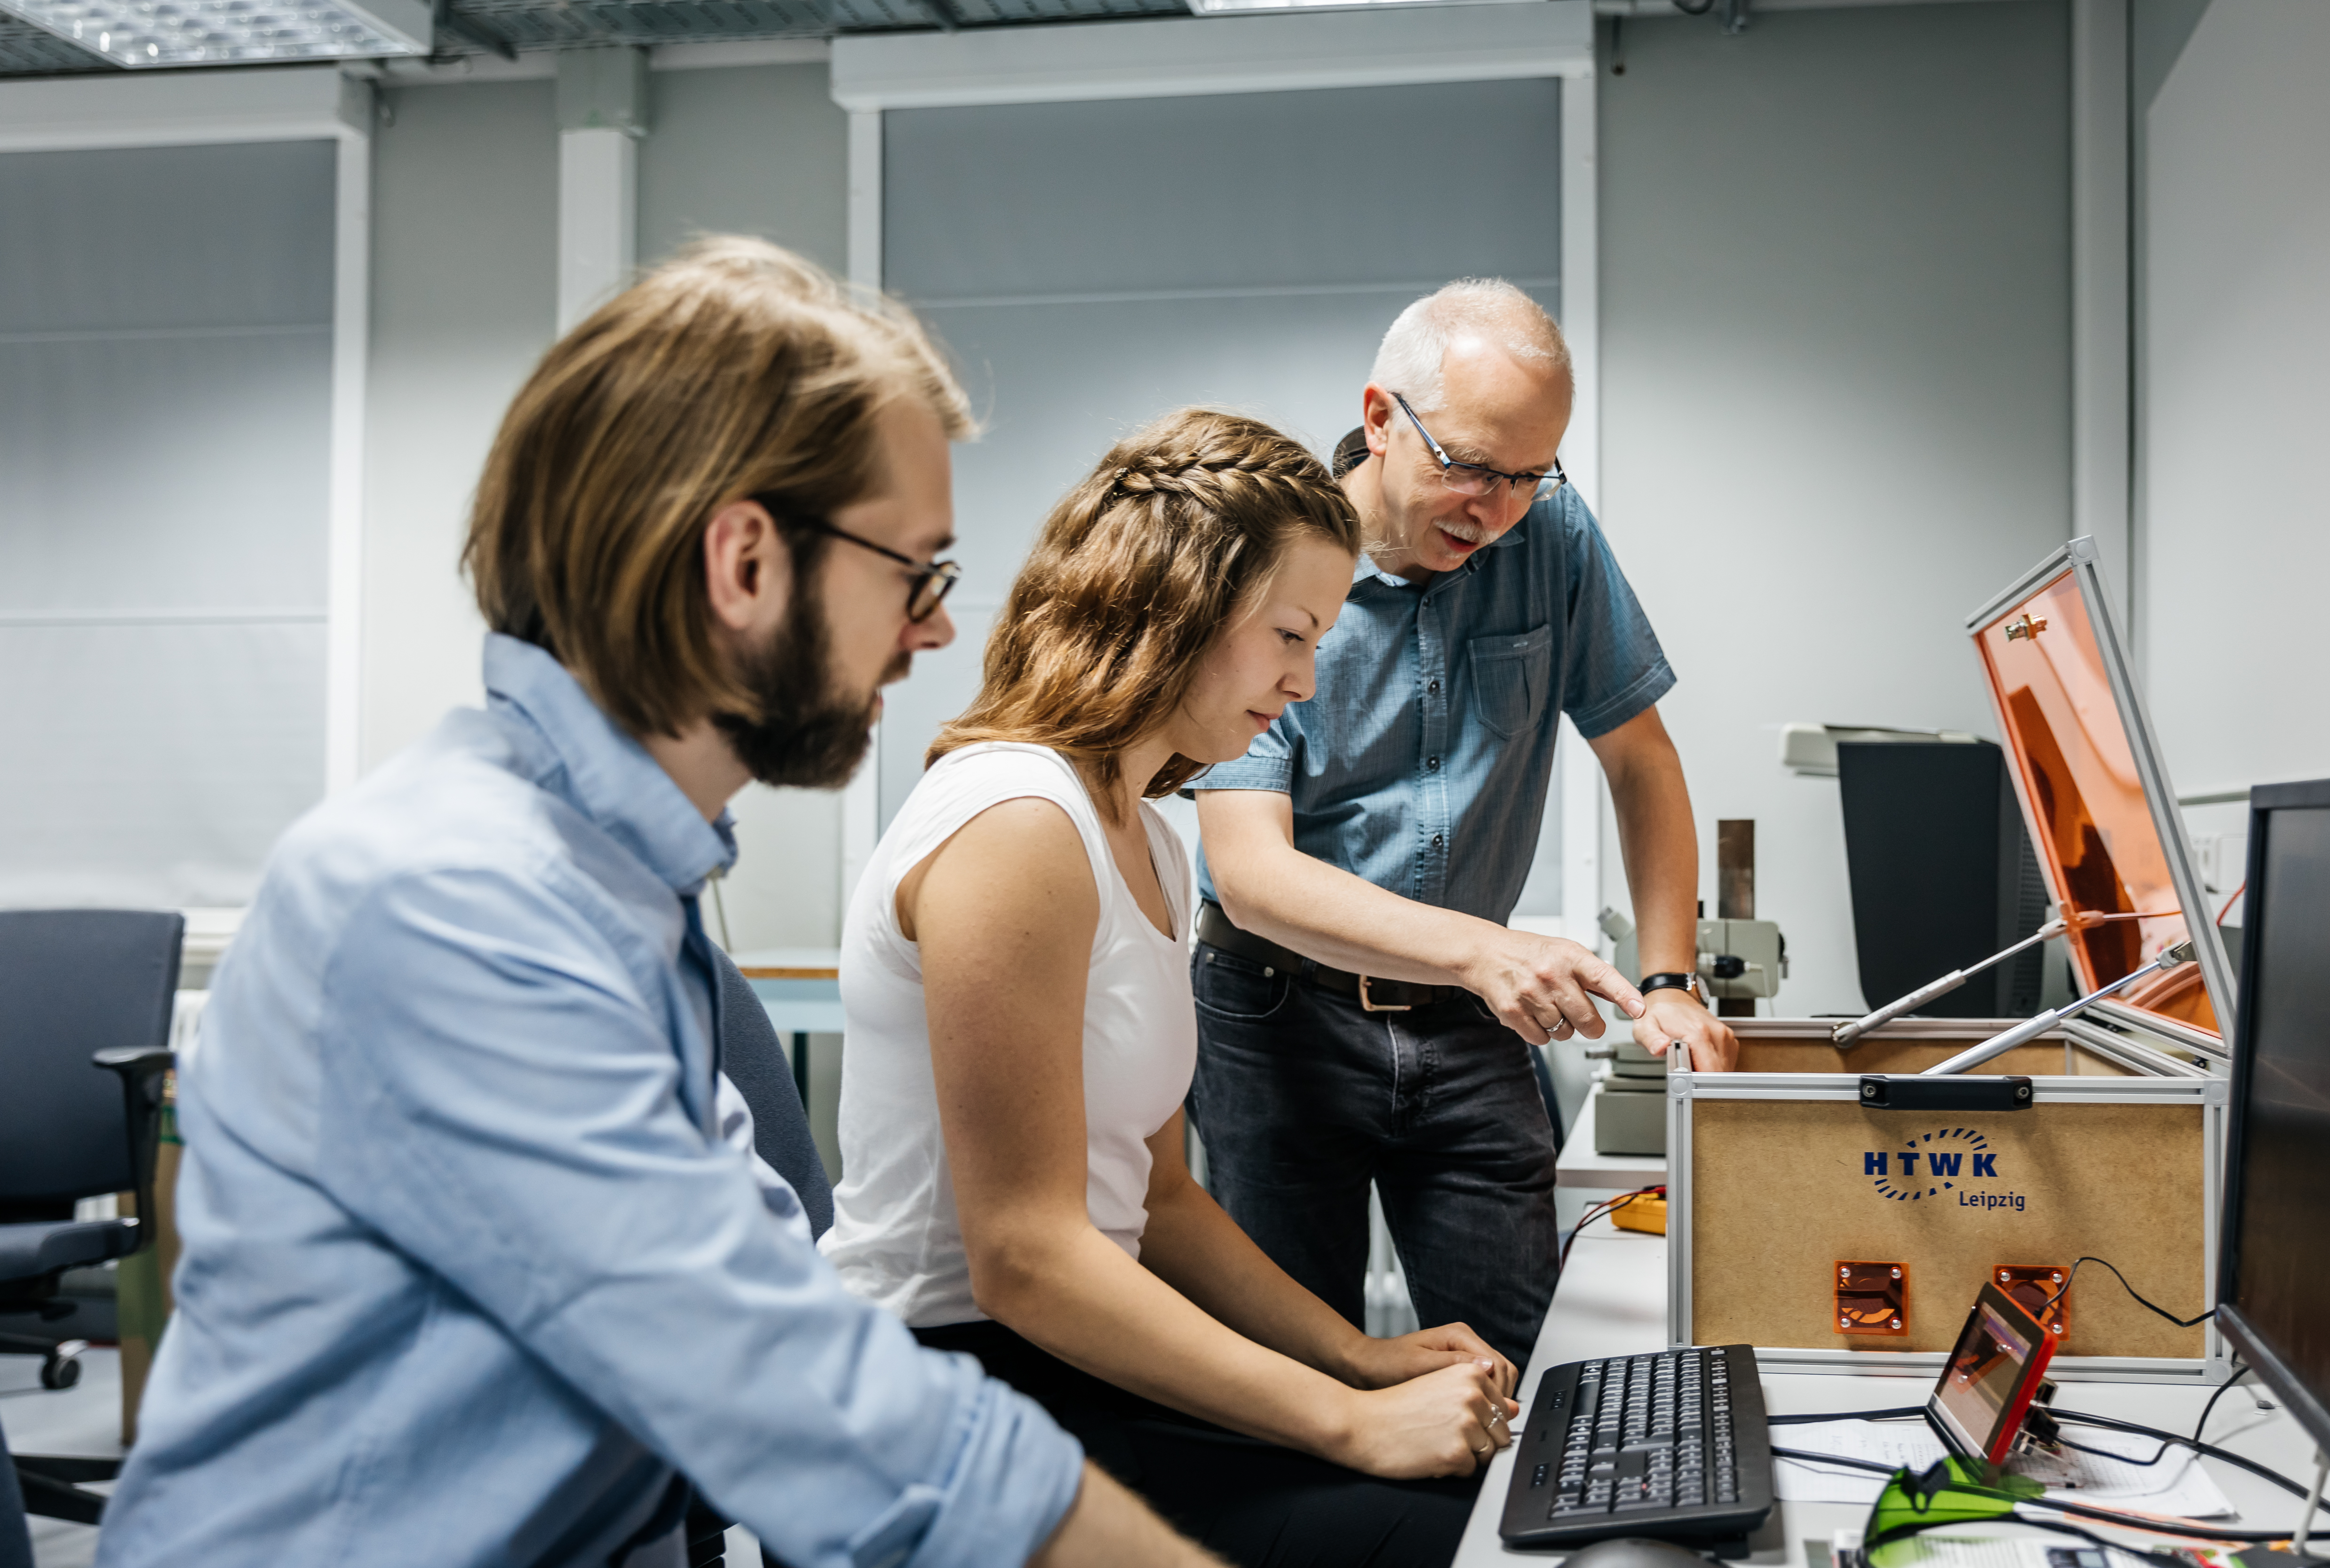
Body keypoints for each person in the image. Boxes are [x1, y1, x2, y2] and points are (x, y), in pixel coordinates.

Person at [96, 240, 1218, 1568]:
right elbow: (802, 1396)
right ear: (744, 559)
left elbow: (773, 1292)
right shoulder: (445, 900)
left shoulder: (619, 887)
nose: (930, 632)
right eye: (915, 570)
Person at [822, 409, 1520, 1567]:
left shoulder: (1148, 838)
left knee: (1481, 1500)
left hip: (1067, 1359)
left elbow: (1160, 1199)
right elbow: (1025, 1251)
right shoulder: (1014, 821)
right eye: (1291, 634)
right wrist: (1350, 1421)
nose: (1305, 682)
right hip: (939, 1388)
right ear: (1177, 604)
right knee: (1440, 1537)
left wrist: (1355, 1356)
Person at [1188, 280, 1740, 1377]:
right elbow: (1248, 869)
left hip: (1466, 1019)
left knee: (1531, 1363)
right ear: (1382, 417)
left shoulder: (1553, 538)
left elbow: (1642, 757)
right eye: (1471, 467)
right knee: (1295, 1371)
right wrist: (1490, 949)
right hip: (1279, 1016)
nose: (1495, 508)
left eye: (1529, 476)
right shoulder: (1267, 566)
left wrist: (1671, 977)